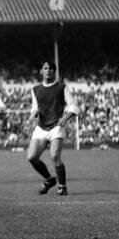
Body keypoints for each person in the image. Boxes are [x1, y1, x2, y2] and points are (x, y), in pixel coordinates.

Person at [26, 61, 77, 195]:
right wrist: (32, 116)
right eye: (46, 68)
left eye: (51, 69)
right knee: (31, 157)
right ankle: (49, 180)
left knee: (55, 155)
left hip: (56, 126)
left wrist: (65, 118)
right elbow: (35, 108)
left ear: (55, 71)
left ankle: (62, 187)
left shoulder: (61, 87)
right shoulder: (35, 89)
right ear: (41, 71)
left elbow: (73, 106)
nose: (48, 71)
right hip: (41, 127)